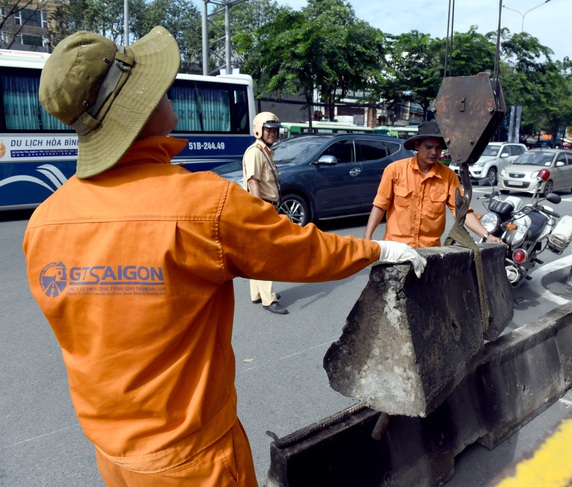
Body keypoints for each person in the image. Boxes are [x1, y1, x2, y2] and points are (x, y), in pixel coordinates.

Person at [23, 27, 425, 487]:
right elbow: (306, 252)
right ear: (137, 109)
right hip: (192, 458)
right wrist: (379, 248)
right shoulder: (202, 205)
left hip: (111, 452)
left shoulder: (44, 221)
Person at [363, 120, 502, 248]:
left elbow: (462, 211)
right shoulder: (395, 170)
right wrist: (367, 237)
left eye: (438, 148)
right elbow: (380, 205)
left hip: (429, 251)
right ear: (417, 146)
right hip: (396, 247)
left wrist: (486, 235)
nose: (434, 152)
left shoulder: (448, 176)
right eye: (428, 147)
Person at [243, 111, 287, 315]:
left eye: (275, 130)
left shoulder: (265, 152)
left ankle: (257, 294)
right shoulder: (255, 152)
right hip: (262, 207)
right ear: (259, 130)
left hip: (269, 206)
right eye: (269, 129)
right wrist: (259, 211)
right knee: (264, 256)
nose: (273, 133)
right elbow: (254, 182)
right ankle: (268, 300)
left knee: (257, 253)